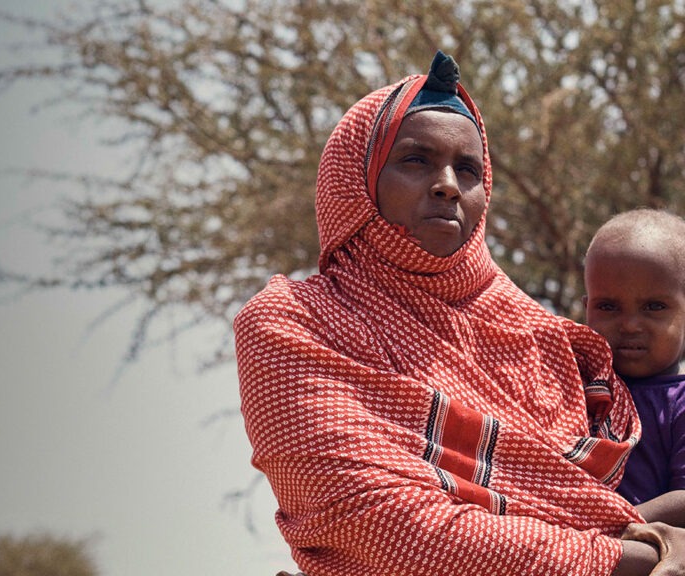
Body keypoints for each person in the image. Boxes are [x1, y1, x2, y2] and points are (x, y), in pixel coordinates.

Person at [234, 51, 685, 575]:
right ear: (356, 180)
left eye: (467, 169)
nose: (448, 183)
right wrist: (649, 556)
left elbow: (584, 501)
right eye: (415, 160)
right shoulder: (292, 324)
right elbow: (375, 521)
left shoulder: (542, 339)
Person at [584, 208, 685, 527]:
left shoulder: (680, 403)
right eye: (608, 306)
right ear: (587, 309)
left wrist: (608, 527)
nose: (629, 325)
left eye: (654, 307)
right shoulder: (573, 386)